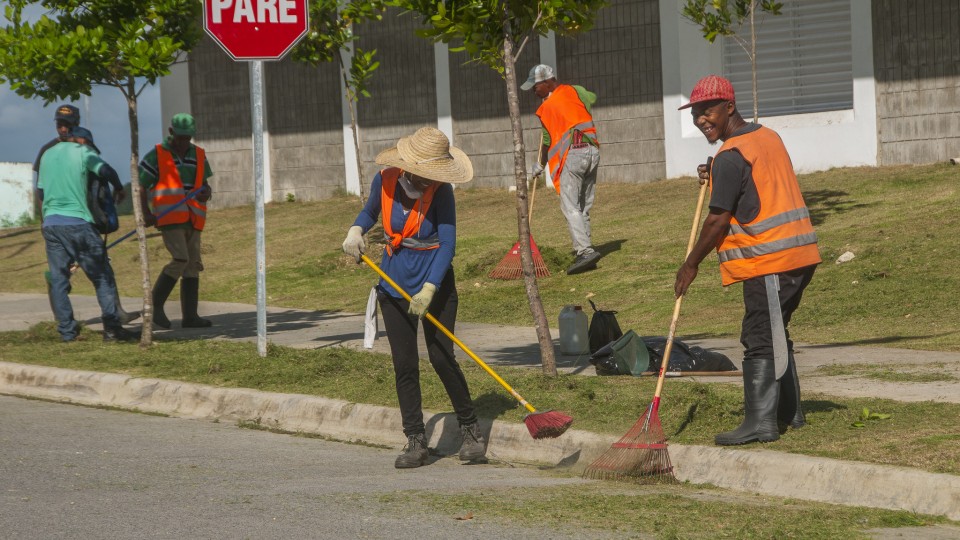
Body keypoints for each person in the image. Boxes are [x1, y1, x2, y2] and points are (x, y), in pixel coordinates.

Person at [673, 75, 821, 446]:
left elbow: (718, 220)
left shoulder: (730, 156)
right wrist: (717, 172)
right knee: (773, 332)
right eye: (694, 114)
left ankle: (760, 424)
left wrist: (690, 264)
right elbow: (754, 183)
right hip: (798, 254)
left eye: (707, 110)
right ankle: (790, 413)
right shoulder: (765, 137)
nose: (700, 119)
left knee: (757, 337)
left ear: (729, 107)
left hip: (770, 259)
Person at [341, 127, 487, 469]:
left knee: (441, 357)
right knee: (404, 364)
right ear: (407, 166)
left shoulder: (442, 193)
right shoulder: (386, 180)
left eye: (431, 177)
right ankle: (416, 441)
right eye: (423, 176)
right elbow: (370, 213)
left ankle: (470, 431)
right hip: (394, 283)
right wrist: (355, 230)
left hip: (434, 284)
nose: (427, 182)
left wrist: (431, 287)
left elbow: (448, 244)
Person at [33, 107, 139, 324]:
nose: (62, 127)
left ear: (75, 124)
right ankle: (110, 326)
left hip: (66, 222)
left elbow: (96, 190)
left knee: (78, 273)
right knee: (96, 275)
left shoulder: (66, 150)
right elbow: (41, 190)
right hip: (73, 221)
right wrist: (119, 188)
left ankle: (77, 326)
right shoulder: (56, 151)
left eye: (67, 123)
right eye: (59, 123)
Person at [521, 64, 602, 275]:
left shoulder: (547, 108)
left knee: (570, 206)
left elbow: (547, 141)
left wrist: (540, 164)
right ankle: (587, 250)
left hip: (573, 156)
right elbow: (590, 98)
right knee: (583, 205)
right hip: (592, 151)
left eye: (535, 87)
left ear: (547, 82)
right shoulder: (575, 90)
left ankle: (584, 251)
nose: (533, 92)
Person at [138, 113, 213, 329]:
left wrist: (206, 192)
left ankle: (190, 317)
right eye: (180, 137)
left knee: (192, 265)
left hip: (194, 217)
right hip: (169, 217)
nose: (183, 142)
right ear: (171, 133)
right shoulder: (157, 154)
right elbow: (141, 185)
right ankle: (154, 307)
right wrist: (146, 213)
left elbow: (205, 184)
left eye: (187, 138)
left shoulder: (198, 154)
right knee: (180, 259)